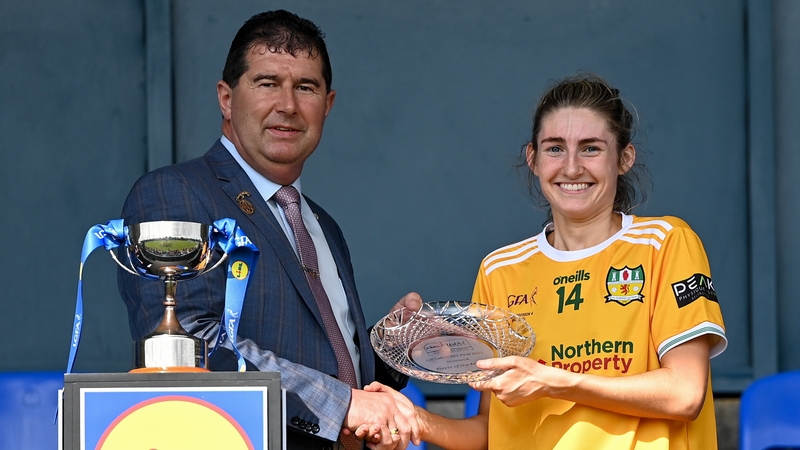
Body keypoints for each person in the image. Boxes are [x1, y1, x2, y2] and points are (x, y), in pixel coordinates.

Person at [370, 73, 727, 449]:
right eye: (555, 148)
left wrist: (554, 381)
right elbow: (491, 431)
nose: (571, 167)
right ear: (533, 159)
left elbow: (685, 394)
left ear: (623, 158)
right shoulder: (500, 270)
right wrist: (415, 420)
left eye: (591, 148)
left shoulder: (665, 243)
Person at [117, 10, 420, 450]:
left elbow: (334, 372)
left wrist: (396, 350)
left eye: (306, 87)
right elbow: (190, 345)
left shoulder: (323, 226)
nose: (288, 105)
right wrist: (343, 404)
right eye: (267, 83)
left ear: (328, 104)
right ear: (226, 97)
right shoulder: (173, 193)